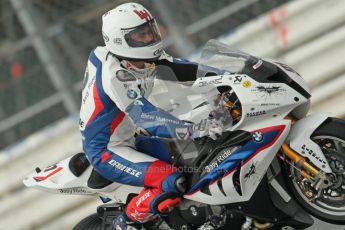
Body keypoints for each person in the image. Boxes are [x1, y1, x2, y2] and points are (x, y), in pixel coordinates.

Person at [79, 2, 222, 229]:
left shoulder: (137, 58)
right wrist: (191, 128)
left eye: (150, 30)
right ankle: (124, 223)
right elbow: (146, 116)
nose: (149, 38)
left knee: (198, 158)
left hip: (133, 138)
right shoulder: (115, 75)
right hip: (108, 151)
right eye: (140, 35)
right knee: (172, 182)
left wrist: (227, 78)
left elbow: (180, 68)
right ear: (119, 40)